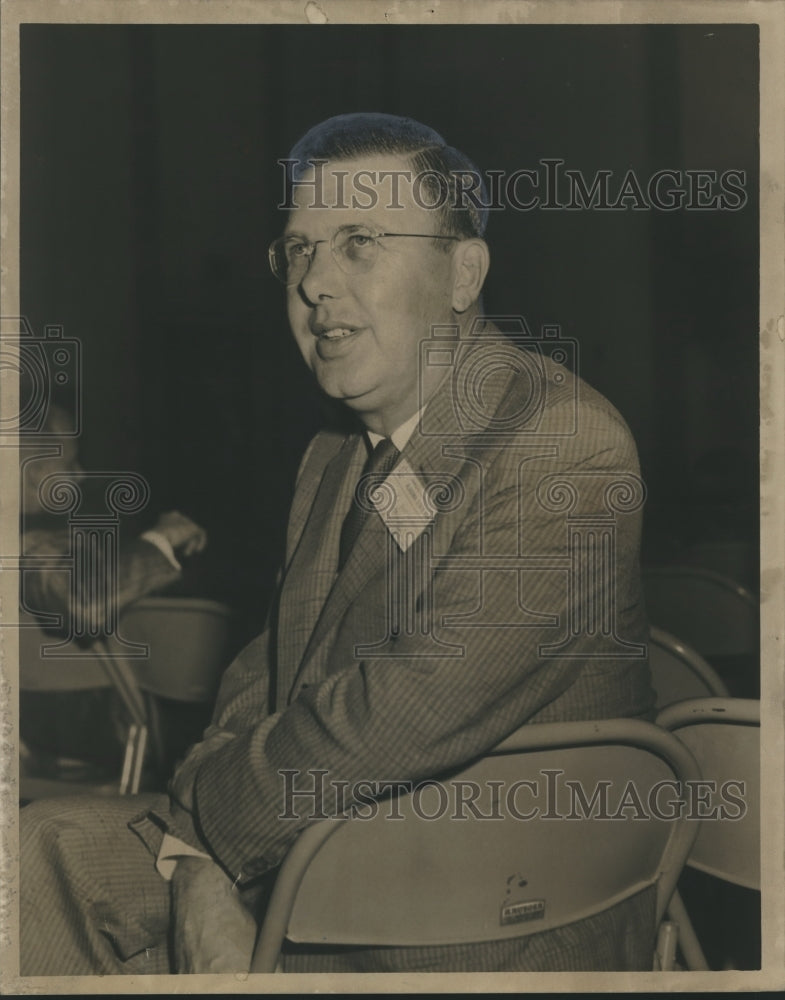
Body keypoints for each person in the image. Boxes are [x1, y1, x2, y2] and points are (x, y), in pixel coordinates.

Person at [21, 113, 655, 975]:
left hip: (478, 900)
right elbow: (264, 674)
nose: (316, 282)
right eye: (299, 251)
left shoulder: (563, 445)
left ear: (463, 271)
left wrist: (205, 838)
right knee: (38, 853)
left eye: (359, 242)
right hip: (318, 839)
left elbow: (404, 709)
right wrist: (195, 856)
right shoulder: (332, 456)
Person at [19, 403, 208, 772]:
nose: (82, 474)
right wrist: (161, 539)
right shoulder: (29, 545)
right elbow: (84, 602)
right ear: (37, 471)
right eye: (71, 463)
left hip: (32, 743)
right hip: (108, 743)